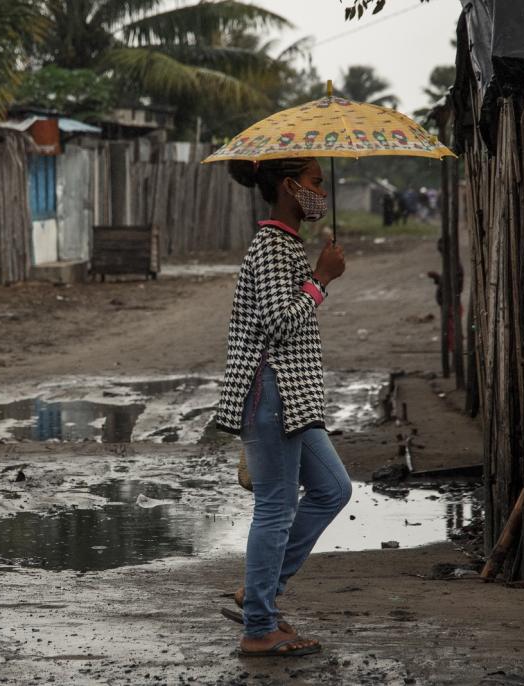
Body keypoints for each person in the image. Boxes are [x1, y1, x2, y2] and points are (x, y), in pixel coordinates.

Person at [218, 157, 352, 657]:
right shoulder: (273, 245)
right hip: (272, 395)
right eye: (316, 182)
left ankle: (263, 592)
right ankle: (258, 627)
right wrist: (321, 279)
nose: (322, 190)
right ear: (290, 186)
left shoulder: (286, 242)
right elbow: (277, 323)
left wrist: (316, 273)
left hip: (292, 398)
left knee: (333, 489)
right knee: (275, 509)